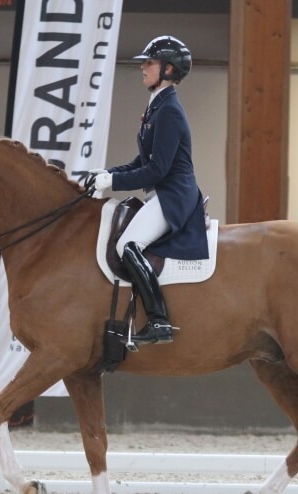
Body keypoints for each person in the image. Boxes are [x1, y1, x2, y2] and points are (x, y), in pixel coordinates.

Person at [90, 36, 208, 346]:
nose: (143, 68)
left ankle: (159, 320)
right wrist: (108, 174)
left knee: (127, 245)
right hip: (164, 192)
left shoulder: (168, 110)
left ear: (168, 70)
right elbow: (142, 161)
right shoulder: (158, 105)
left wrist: (113, 184)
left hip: (174, 196)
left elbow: (158, 170)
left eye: (149, 63)